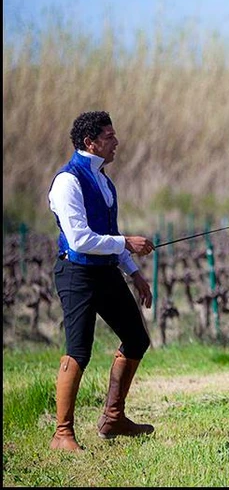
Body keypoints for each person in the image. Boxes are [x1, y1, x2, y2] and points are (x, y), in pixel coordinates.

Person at [48, 110, 156, 452]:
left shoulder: (105, 181)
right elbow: (80, 239)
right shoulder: (67, 182)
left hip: (105, 272)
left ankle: (113, 417)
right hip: (76, 273)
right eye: (109, 137)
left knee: (136, 339)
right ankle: (62, 434)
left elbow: (108, 234)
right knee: (78, 351)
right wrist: (126, 243)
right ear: (89, 142)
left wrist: (135, 273)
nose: (116, 142)